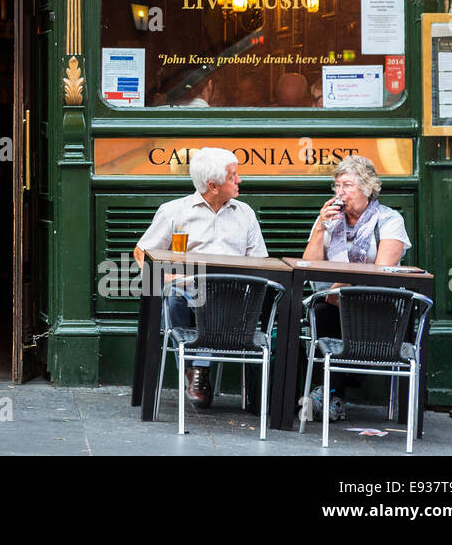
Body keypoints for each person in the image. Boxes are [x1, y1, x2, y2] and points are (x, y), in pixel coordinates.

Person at [133, 147, 267, 407]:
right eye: (233, 176)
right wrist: (167, 279)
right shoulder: (174, 211)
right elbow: (142, 253)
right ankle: (196, 370)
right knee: (175, 297)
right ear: (213, 185)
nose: (239, 180)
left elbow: (260, 263)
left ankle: (197, 370)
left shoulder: (245, 214)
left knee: (212, 299)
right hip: (186, 292)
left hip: (232, 298)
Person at [299, 154, 411, 419]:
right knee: (316, 311)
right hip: (331, 303)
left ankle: (333, 391)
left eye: (347, 186)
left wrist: (345, 287)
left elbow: (383, 270)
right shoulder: (329, 219)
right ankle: (327, 392)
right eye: (337, 186)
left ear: (368, 188)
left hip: (375, 305)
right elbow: (309, 266)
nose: (340, 192)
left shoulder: (389, 220)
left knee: (327, 310)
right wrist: (319, 228)